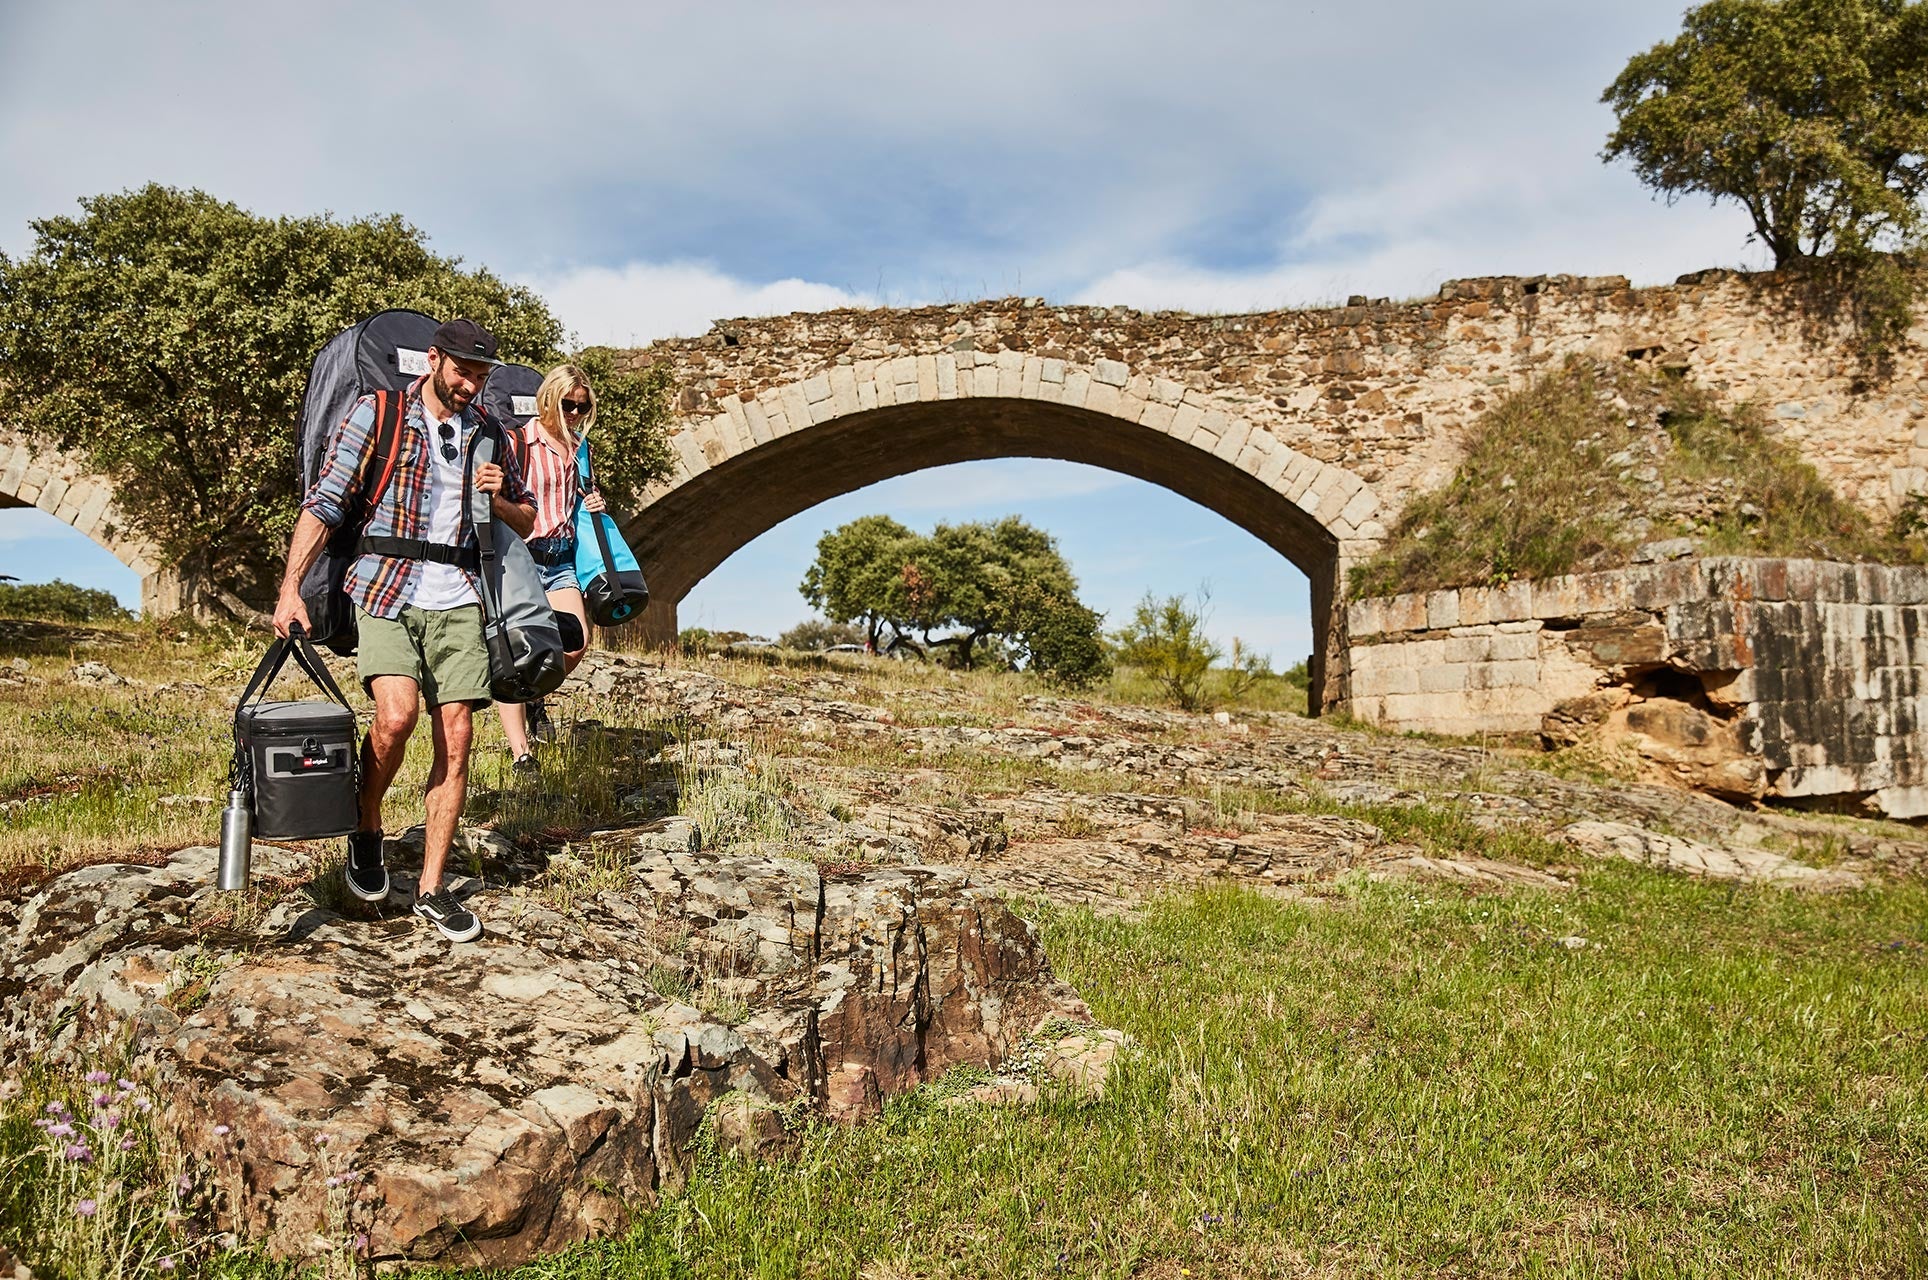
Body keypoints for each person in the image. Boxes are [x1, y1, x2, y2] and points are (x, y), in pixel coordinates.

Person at [272, 317, 536, 943]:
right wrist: (290, 590)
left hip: (461, 596)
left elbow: (526, 520)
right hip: (385, 584)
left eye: (481, 376)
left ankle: (432, 890)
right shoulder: (379, 413)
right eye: (464, 372)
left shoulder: (491, 433)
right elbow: (325, 502)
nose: (472, 385)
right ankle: (366, 825)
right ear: (435, 361)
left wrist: (498, 498)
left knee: (460, 732)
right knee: (395, 718)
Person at [495, 364, 606, 772]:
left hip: (561, 559)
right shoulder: (518, 441)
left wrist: (594, 502)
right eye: (568, 405)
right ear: (548, 400)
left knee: (574, 644)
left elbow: (581, 495)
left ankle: (535, 695)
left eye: (582, 406)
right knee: (517, 652)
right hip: (522, 555)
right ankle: (521, 752)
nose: (575, 413)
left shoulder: (580, 448)